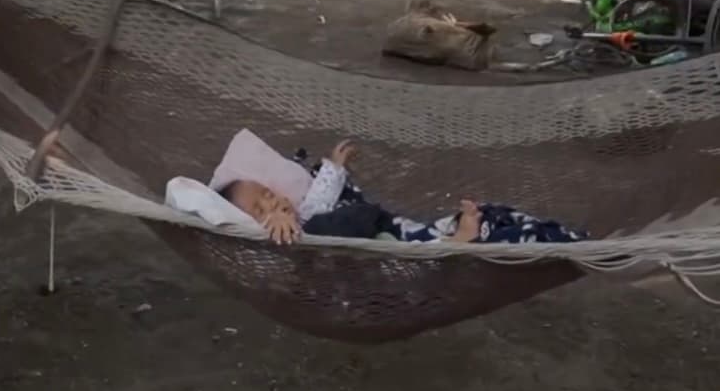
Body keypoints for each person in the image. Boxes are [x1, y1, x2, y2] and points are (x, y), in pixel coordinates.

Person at [218, 140, 587, 247]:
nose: (273, 201)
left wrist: (333, 166)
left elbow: (321, 198)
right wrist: (279, 222)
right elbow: (277, 243)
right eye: (258, 207)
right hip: (356, 262)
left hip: (379, 240)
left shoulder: (305, 212)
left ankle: (454, 237)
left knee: (490, 214)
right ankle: (456, 243)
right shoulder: (271, 240)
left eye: (268, 193)